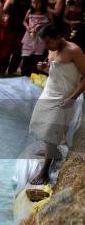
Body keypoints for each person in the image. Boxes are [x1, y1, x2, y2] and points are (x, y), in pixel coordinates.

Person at [28, 25, 85, 184]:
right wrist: (45, 68)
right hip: (49, 92)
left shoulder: (74, 50)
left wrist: (73, 98)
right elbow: (58, 72)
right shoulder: (51, 49)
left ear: (59, 37)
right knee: (44, 127)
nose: (46, 46)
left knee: (52, 129)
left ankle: (44, 171)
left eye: (48, 42)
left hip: (64, 97)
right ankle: (53, 152)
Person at [21, 0, 52, 76]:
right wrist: (27, 27)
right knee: (26, 56)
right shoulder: (30, 11)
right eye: (33, 2)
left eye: (37, 3)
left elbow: (51, 23)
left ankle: (34, 74)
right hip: (30, 36)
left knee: (37, 57)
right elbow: (24, 21)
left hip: (40, 38)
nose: (35, 5)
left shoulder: (46, 12)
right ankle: (24, 74)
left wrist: (41, 26)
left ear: (42, 2)